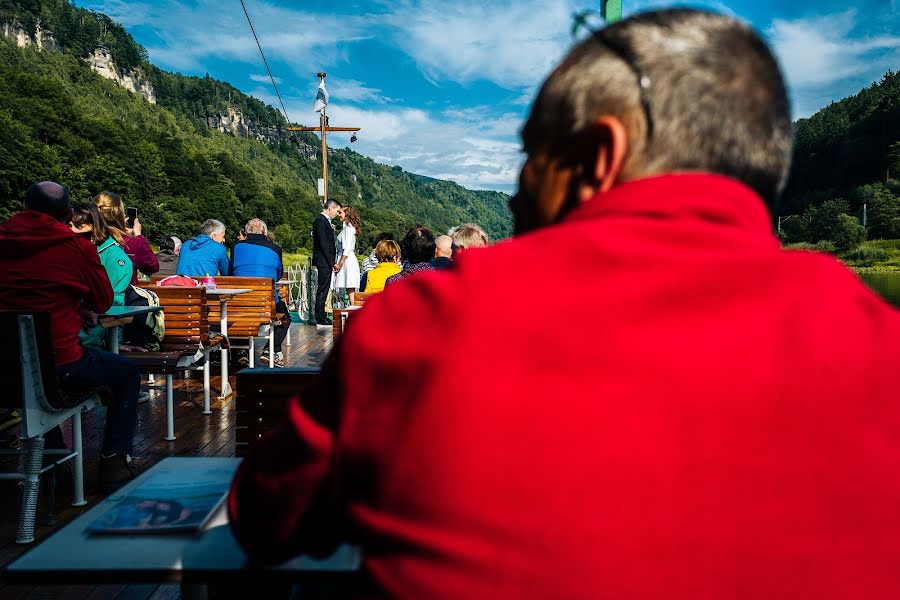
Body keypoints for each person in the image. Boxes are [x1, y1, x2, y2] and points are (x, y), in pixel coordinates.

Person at [228, 9, 900, 597]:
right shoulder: (882, 344)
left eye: (533, 157)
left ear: (599, 156)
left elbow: (263, 519)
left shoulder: (430, 322)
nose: (519, 193)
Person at [0, 182, 140, 492]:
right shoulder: (76, 248)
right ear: (66, 214)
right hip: (59, 366)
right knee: (127, 372)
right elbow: (103, 302)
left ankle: (54, 463)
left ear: (23, 208)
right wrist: (79, 304)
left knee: (28, 381)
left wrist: (73, 305)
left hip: (5, 372)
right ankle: (114, 464)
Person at [69, 203, 133, 350]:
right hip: (66, 334)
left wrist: (116, 342)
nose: (71, 231)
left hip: (89, 338)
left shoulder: (115, 258)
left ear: (94, 228)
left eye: (78, 227)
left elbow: (115, 304)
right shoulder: (70, 251)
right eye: (69, 225)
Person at [231, 218, 289, 367]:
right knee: (285, 317)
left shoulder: (236, 247)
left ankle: (241, 352)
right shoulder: (275, 249)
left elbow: (231, 272)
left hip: (240, 303)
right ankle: (271, 350)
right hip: (265, 305)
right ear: (264, 232)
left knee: (240, 310)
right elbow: (277, 275)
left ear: (246, 232)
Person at [95, 192, 159, 284]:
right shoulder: (131, 243)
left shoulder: (86, 238)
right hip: (124, 296)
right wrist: (138, 236)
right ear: (120, 214)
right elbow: (152, 266)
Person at [312, 199, 341, 326]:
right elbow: (324, 243)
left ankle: (321, 314)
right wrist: (331, 262)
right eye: (336, 210)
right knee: (323, 288)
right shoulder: (321, 221)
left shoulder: (323, 221)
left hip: (325, 260)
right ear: (330, 208)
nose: (337, 213)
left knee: (324, 287)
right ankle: (320, 316)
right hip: (323, 260)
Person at [333, 205, 362, 300]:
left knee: (350, 286)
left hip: (347, 260)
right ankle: (352, 308)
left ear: (347, 214)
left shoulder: (349, 229)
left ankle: (353, 309)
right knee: (349, 287)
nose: (339, 215)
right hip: (346, 259)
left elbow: (347, 248)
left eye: (341, 213)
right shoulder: (347, 228)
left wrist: (340, 264)